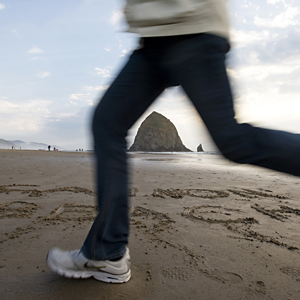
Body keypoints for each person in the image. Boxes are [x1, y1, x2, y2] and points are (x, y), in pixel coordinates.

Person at [46, 0, 300, 284]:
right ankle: (107, 252)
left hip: (192, 29)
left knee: (232, 140)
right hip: (155, 39)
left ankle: (107, 250)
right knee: (107, 123)